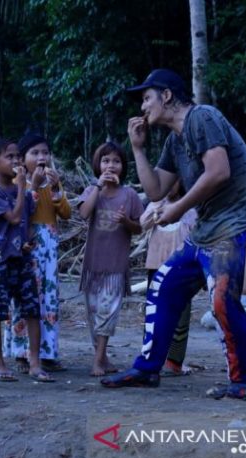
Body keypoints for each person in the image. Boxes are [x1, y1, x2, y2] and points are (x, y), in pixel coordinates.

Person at [101, 69, 246, 400]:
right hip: (206, 230)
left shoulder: (201, 117)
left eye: (147, 97)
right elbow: (156, 188)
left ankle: (243, 381)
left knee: (221, 296)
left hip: (238, 222)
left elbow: (219, 171)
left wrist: (177, 210)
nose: (143, 106)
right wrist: (137, 149)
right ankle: (147, 370)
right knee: (163, 284)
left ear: (166, 96)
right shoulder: (174, 141)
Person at [0, 137, 54, 382]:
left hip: (21, 256)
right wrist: (24, 187)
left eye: (16, 156)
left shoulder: (19, 188)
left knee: (32, 309)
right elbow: (13, 217)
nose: (15, 161)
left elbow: (28, 217)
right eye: (9, 157)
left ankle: (35, 362)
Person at [2, 134, 71, 373]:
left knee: (48, 297)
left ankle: (47, 352)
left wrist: (55, 189)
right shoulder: (17, 182)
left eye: (45, 152)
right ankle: (22, 353)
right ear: (22, 159)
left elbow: (66, 213)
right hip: (27, 245)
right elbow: (20, 214)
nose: (42, 157)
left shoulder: (52, 182)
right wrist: (32, 184)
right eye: (35, 153)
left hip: (48, 247)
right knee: (25, 296)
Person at [78, 141, 143, 376]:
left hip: (116, 267)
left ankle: (96, 361)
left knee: (107, 312)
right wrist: (98, 186)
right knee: (93, 313)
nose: (111, 165)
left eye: (116, 161)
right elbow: (84, 213)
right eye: (106, 161)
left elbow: (140, 228)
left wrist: (126, 222)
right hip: (93, 266)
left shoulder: (130, 195)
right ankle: (102, 358)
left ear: (123, 166)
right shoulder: (91, 191)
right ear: (98, 165)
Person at [140, 181, 197, 375]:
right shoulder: (156, 205)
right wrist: (157, 203)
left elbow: (196, 233)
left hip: (181, 267)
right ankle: (150, 356)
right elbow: (143, 223)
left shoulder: (189, 207)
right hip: (155, 266)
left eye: (174, 182)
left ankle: (174, 361)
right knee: (153, 313)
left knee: (181, 315)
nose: (169, 186)